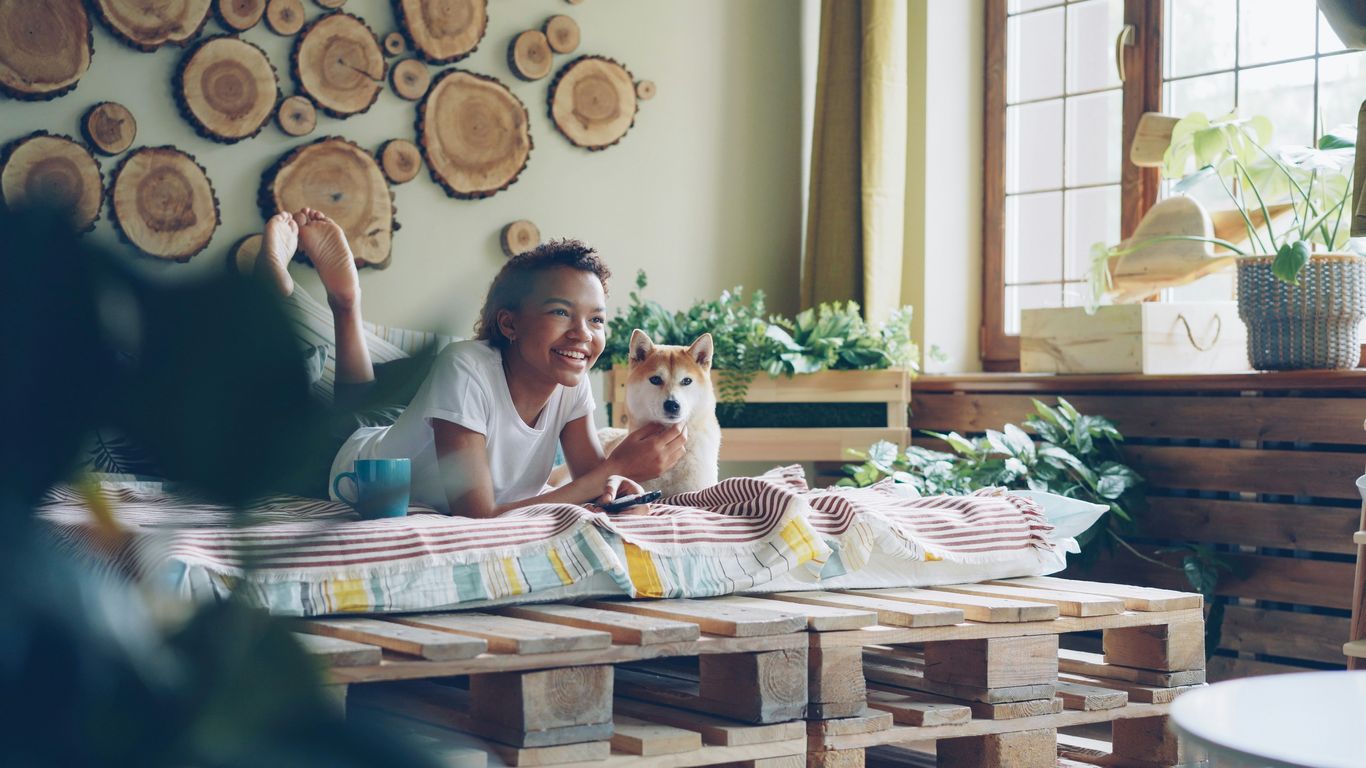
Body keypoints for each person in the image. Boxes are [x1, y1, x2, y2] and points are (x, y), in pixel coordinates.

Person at [249, 208, 686, 518]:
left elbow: (591, 482)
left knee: (364, 409)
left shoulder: (572, 381)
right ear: (509, 324)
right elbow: (477, 515)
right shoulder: (464, 365)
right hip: (345, 463)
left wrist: (621, 487)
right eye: (560, 312)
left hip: (398, 432)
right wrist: (615, 468)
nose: (583, 334)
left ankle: (346, 303)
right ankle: (277, 294)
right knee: (300, 425)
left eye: (596, 319)